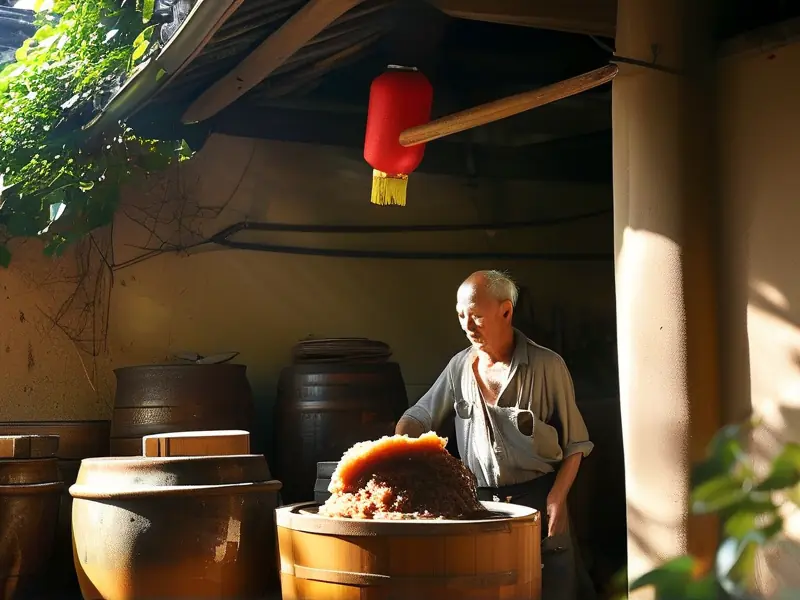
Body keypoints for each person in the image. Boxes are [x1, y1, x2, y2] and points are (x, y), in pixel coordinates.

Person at [395, 270, 595, 600]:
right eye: (460, 316)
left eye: (475, 316)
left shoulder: (548, 366)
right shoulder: (459, 367)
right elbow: (419, 415)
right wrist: (398, 443)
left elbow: (577, 444)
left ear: (505, 311)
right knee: (488, 589)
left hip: (539, 498)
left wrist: (557, 498)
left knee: (555, 586)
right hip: (479, 502)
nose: (466, 326)